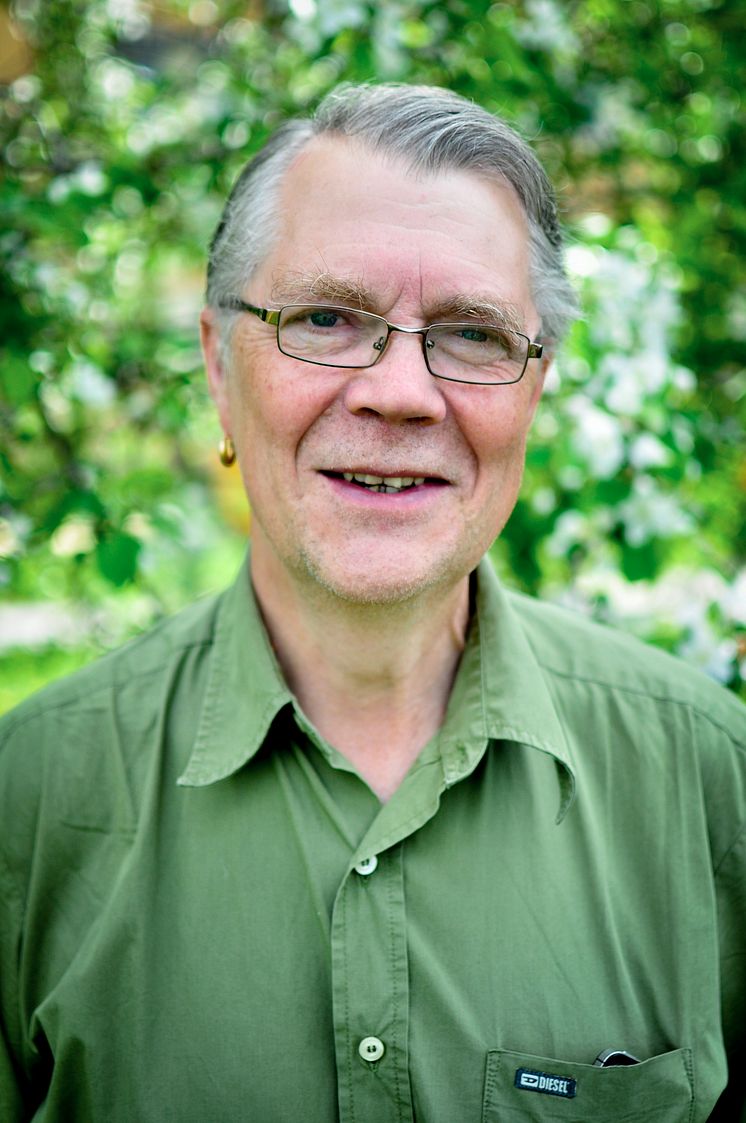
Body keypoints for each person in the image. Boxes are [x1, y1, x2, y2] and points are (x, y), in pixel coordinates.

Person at [0, 83, 744, 1123]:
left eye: (473, 333)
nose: (397, 392)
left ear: (535, 386)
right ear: (220, 367)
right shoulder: (25, 807)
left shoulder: (711, 782)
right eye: (323, 319)